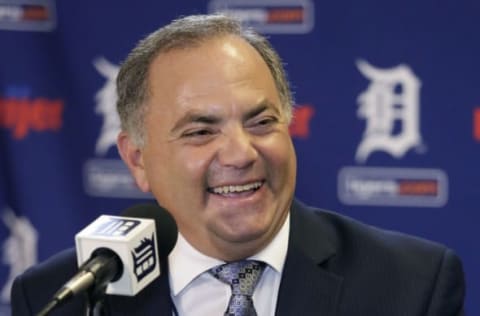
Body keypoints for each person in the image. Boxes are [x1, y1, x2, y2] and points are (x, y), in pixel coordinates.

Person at [11, 14, 465, 316]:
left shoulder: (411, 284)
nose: (241, 153)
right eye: (201, 131)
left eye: (262, 121)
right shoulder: (68, 294)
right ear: (137, 159)